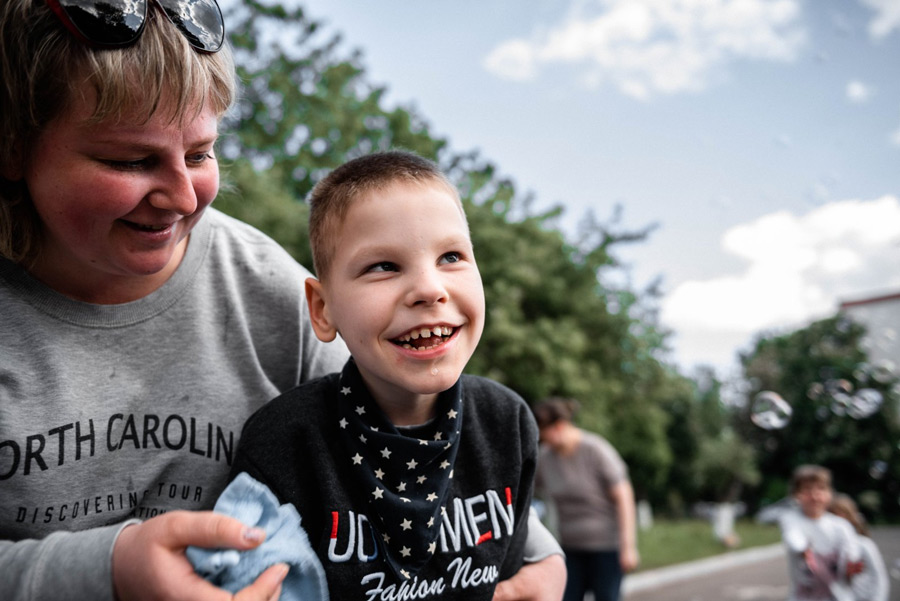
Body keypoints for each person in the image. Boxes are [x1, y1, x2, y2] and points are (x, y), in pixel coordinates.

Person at [0, 2, 563, 600]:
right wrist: (106, 570)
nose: (185, 197)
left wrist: (541, 558)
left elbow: (423, 455)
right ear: (12, 145)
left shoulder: (264, 287)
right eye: (129, 160)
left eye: (200, 154)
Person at [226, 150, 542, 600]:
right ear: (322, 309)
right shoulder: (284, 442)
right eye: (384, 267)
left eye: (451, 256)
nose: (430, 289)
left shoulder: (506, 424)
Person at [532, 397, 639, 601]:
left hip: (605, 548)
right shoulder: (545, 458)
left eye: (544, 433)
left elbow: (624, 496)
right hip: (570, 548)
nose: (542, 439)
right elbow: (526, 490)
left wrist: (628, 547)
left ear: (559, 426)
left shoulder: (595, 449)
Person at [779, 465, 862, 601]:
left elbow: (851, 555)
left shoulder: (841, 526)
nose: (814, 496)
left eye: (821, 488)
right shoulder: (791, 520)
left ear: (830, 493)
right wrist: (803, 549)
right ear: (796, 494)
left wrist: (852, 565)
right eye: (807, 489)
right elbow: (793, 539)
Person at [828, 494, 890, 601]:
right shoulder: (828, 547)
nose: (837, 519)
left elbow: (880, 578)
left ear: (850, 516)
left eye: (841, 514)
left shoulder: (864, 544)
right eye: (833, 514)